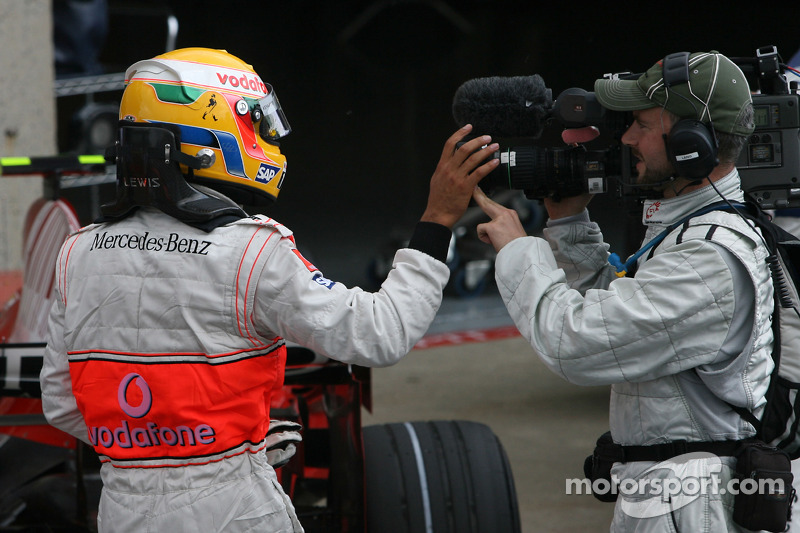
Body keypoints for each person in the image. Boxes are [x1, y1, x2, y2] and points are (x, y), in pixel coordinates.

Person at [39, 47, 499, 532]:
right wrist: (439, 218)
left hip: (121, 513)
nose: (266, 137)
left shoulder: (77, 253)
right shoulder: (252, 251)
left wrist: (160, 446)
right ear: (211, 130)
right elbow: (380, 333)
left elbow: (61, 400)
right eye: (255, 122)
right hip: (233, 510)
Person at [473, 51, 773, 531]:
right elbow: (617, 318)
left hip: (695, 507)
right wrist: (568, 223)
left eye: (640, 124)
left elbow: (578, 342)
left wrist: (518, 251)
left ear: (691, 143)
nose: (626, 138)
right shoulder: (690, 233)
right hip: (677, 496)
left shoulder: (708, 259)